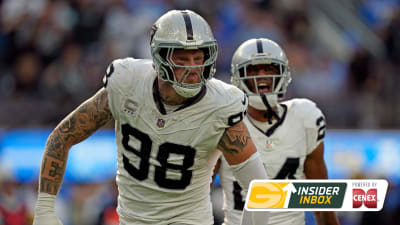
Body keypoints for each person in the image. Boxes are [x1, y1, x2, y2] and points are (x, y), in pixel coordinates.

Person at [32, 10, 269, 225]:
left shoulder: (220, 106)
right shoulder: (127, 83)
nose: (193, 68)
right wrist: (44, 209)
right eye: (183, 59)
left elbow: (259, 186)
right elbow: (62, 137)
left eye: (199, 58)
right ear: (160, 57)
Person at [215, 38, 340, 225]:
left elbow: (321, 201)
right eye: (253, 70)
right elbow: (199, 192)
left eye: (269, 69)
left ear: (283, 74)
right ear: (239, 78)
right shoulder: (224, 122)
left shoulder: (305, 117)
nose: (262, 76)